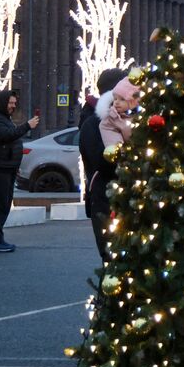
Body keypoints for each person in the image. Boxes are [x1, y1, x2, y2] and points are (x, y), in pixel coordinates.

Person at [78, 67, 129, 262]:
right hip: (105, 198)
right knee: (112, 260)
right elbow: (102, 162)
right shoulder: (93, 124)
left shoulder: (123, 120)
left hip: (120, 197)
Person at [0, 89, 39, 252]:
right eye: (10, 103)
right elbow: (7, 135)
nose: (13, 106)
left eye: (14, 103)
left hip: (6, 167)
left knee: (4, 204)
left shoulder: (3, 118)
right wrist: (27, 125)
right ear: (2, 103)